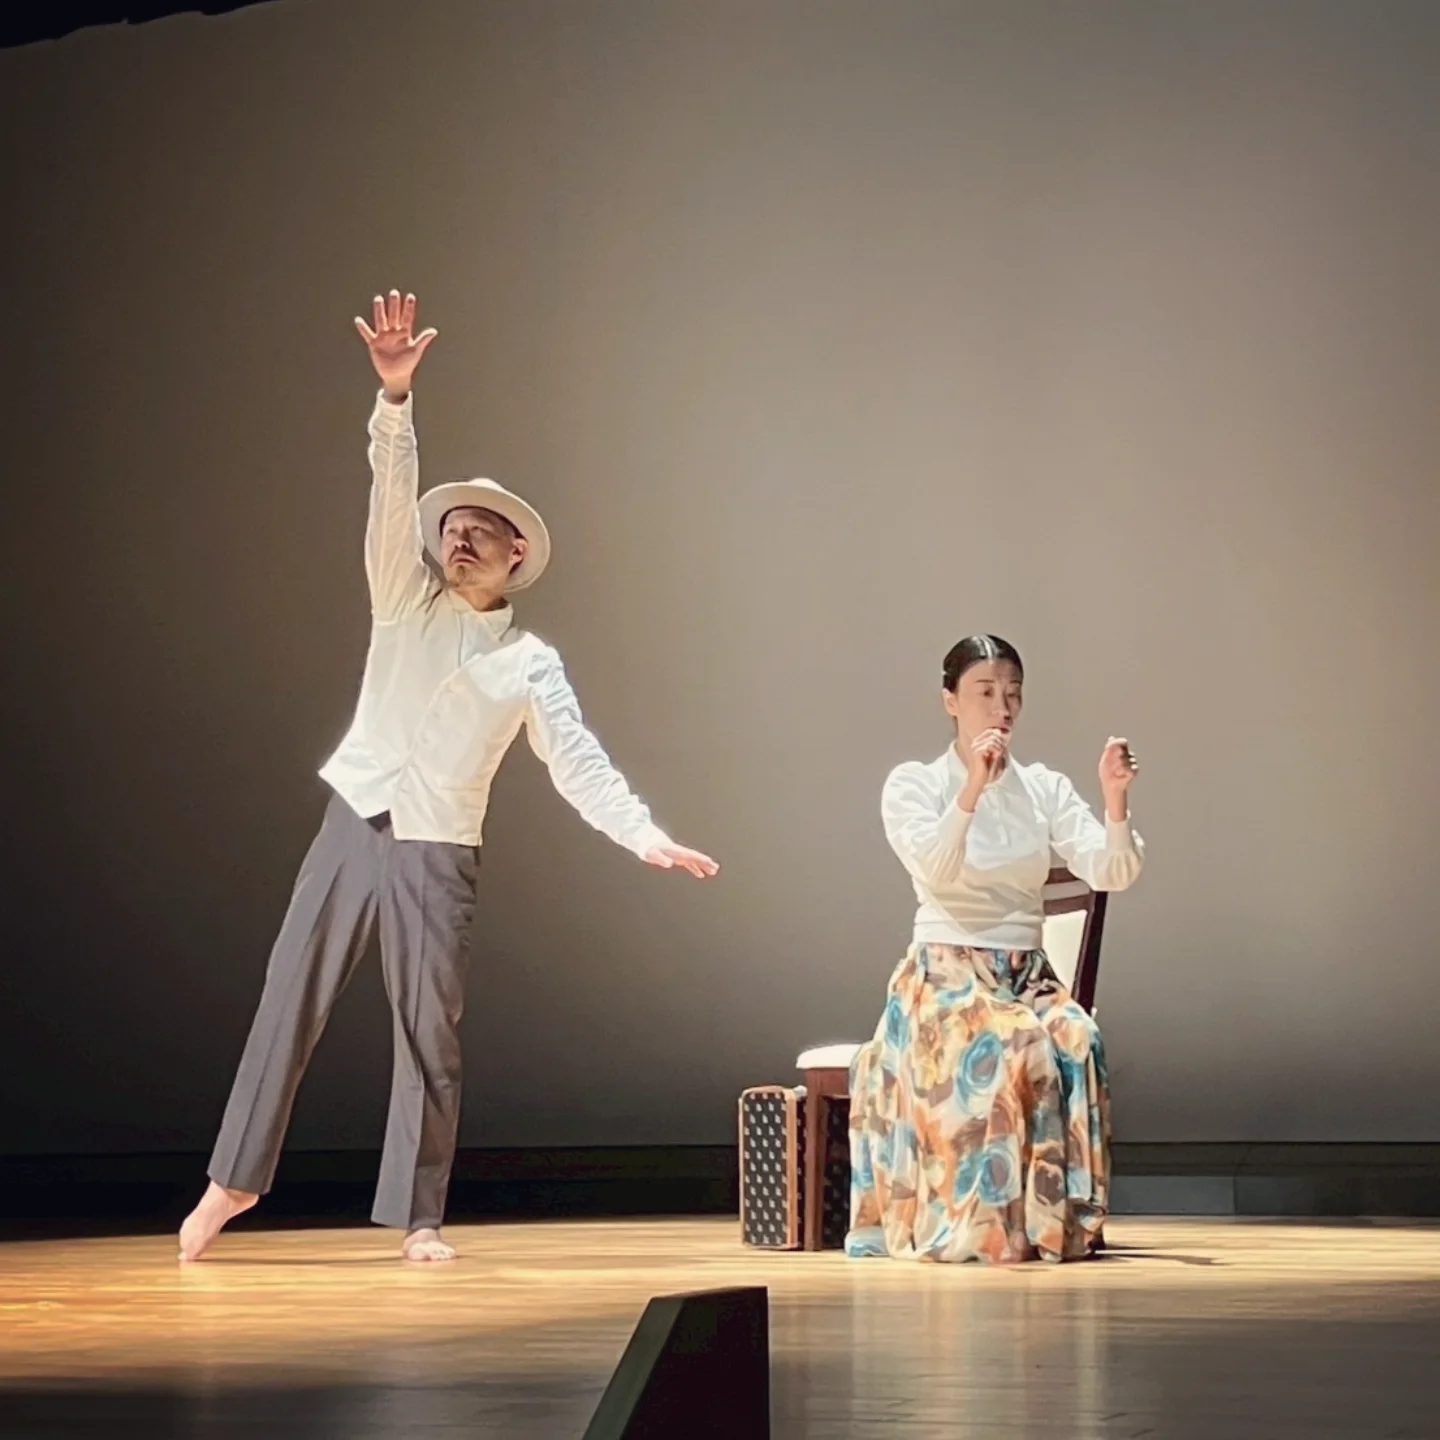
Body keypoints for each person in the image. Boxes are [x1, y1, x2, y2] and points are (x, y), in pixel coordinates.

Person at [179, 291, 718, 1264]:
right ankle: (232, 1180)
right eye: (453, 528)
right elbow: (391, 499)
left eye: (479, 530)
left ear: (518, 554)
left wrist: (645, 835)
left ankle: (419, 1215)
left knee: (429, 1030)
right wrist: (394, 400)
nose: (458, 539)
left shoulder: (530, 662)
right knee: (289, 992)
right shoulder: (403, 599)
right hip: (355, 815)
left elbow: (579, 762)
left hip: (438, 848)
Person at [847, 635, 1142, 1264]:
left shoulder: (1042, 787)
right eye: (985, 692)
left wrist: (1115, 800)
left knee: (1078, 1037)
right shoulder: (915, 784)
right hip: (947, 976)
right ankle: (993, 1229)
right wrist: (972, 789)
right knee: (1017, 1041)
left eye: (1012, 694)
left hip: (1026, 976)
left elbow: (1111, 871)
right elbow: (936, 867)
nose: (1001, 708)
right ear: (950, 700)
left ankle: (1060, 1224)